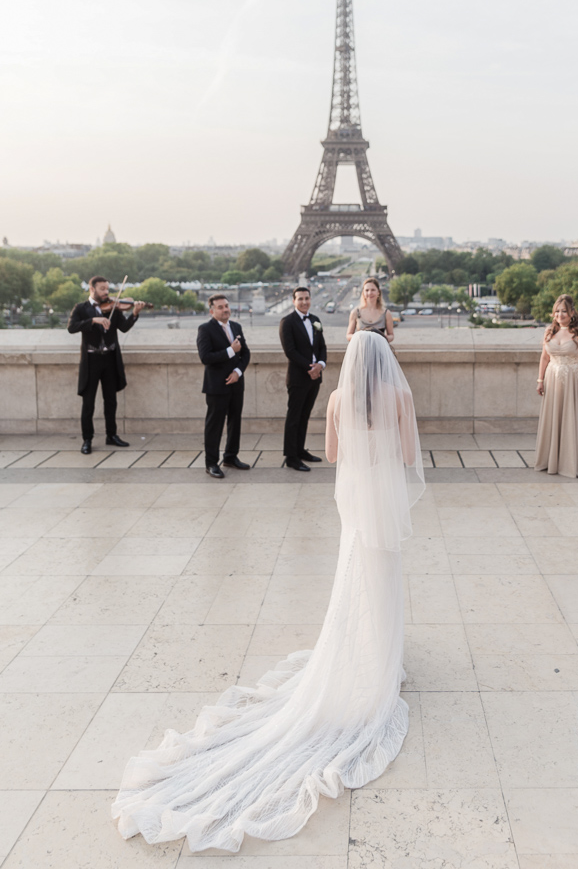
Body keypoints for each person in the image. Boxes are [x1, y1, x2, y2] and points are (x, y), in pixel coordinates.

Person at [112, 330, 425, 853]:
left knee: (354, 580)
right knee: (384, 576)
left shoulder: (341, 398)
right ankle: (381, 660)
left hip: (355, 503)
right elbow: (410, 452)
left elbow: (329, 456)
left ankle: (361, 653)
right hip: (383, 501)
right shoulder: (401, 396)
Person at [67, 276, 145, 454]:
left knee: (111, 400)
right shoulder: (81, 308)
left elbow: (124, 327)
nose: (106, 293)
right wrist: (94, 320)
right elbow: (71, 327)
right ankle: (87, 439)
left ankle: (112, 435)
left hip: (110, 359)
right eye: (102, 289)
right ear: (92, 289)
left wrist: (135, 314)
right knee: (88, 403)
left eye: (107, 289)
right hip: (91, 360)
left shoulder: (114, 308)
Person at [534, 293, 578, 478]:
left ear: (572, 312)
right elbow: (544, 357)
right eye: (557, 311)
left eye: (564, 311)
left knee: (572, 418)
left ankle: (571, 462)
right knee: (553, 418)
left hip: (574, 381)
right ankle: (551, 460)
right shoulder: (549, 331)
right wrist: (540, 380)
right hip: (552, 379)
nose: (560, 315)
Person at [197, 294, 251, 479]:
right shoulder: (205, 329)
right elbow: (205, 357)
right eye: (220, 307)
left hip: (236, 384)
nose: (225, 309)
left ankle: (230, 457)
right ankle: (211, 463)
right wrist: (230, 351)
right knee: (214, 426)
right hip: (216, 386)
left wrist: (238, 372)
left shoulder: (236, 326)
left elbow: (246, 353)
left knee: (235, 422)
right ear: (212, 311)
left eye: (226, 306)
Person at [279, 286, 327, 472]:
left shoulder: (315, 320)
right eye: (300, 299)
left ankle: (300, 450)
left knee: (304, 416)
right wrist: (310, 368)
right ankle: (291, 457)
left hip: (315, 377)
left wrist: (320, 365)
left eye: (307, 298)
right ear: (293, 301)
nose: (304, 302)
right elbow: (290, 351)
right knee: (294, 417)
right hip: (299, 377)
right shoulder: (287, 322)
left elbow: (322, 346)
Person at [346, 275, 394, 343]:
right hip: (361, 349)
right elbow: (348, 335)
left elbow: (391, 335)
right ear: (363, 293)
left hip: (380, 350)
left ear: (378, 292)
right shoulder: (355, 312)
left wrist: (383, 338)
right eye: (367, 290)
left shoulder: (386, 313)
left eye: (373, 290)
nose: (369, 293)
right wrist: (359, 337)